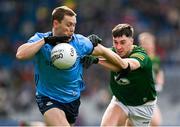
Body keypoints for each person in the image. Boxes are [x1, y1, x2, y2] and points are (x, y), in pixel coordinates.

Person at [16, 6, 125, 126]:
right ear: (56, 23)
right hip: (48, 97)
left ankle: (32, 125)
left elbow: (104, 51)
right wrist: (45, 41)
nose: (72, 29)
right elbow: (20, 54)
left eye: (74, 25)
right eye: (68, 24)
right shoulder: (41, 39)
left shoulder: (79, 42)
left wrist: (124, 65)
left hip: (72, 100)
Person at [82, 23, 157, 126]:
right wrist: (87, 43)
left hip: (142, 106)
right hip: (121, 100)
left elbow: (124, 65)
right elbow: (92, 51)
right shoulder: (113, 52)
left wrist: (97, 58)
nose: (118, 47)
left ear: (131, 41)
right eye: (115, 42)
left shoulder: (141, 56)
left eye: (122, 42)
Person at [138, 32, 165, 126]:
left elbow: (159, 73)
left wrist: (159, 84)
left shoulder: (156, 59)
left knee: (156, 122)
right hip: (137, 97)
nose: (147, 45)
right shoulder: (138, 58)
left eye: (149, 43)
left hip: (149, 97)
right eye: (144, 43)